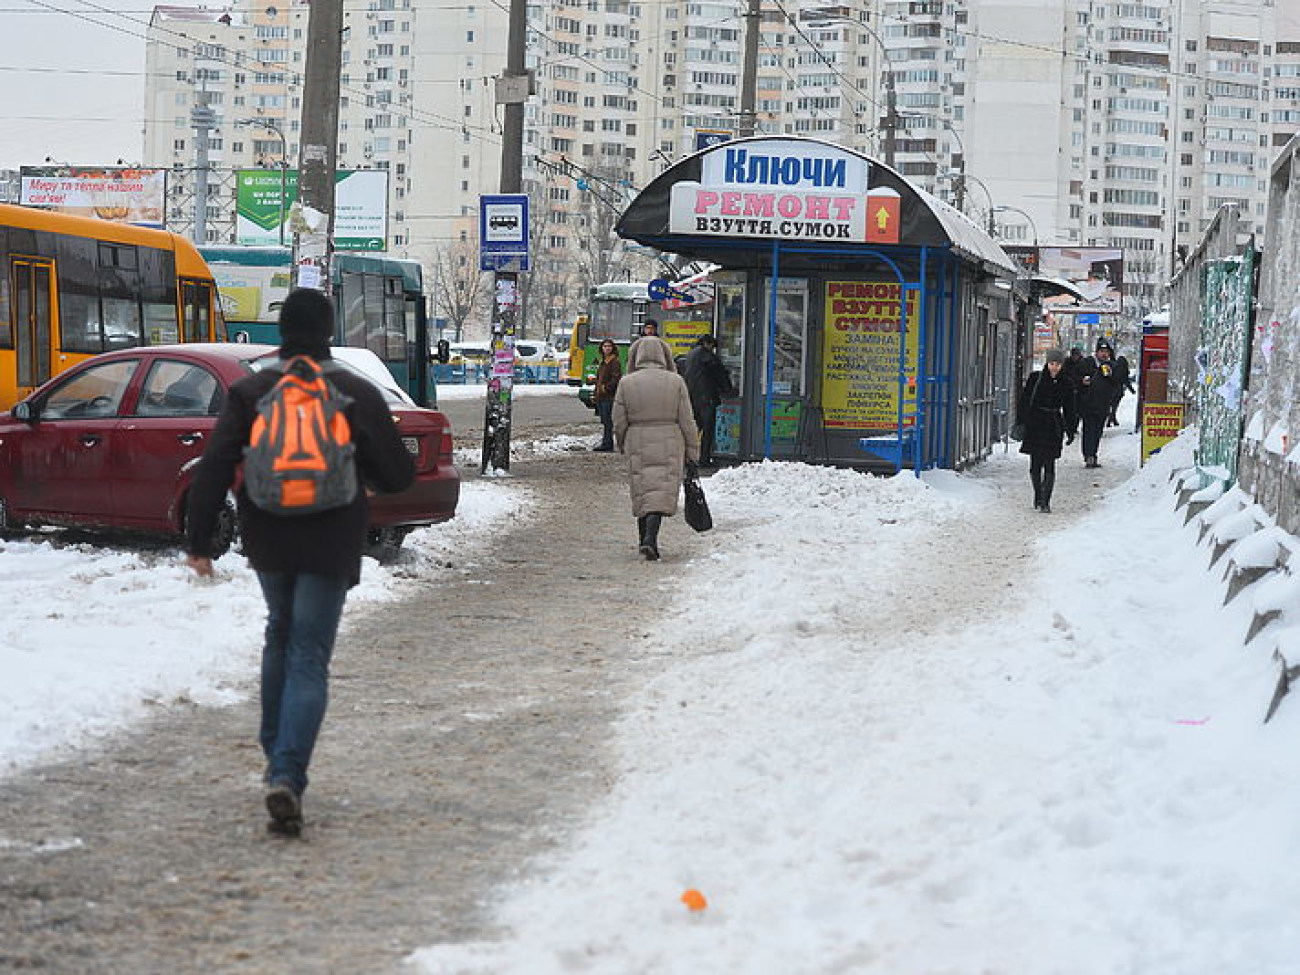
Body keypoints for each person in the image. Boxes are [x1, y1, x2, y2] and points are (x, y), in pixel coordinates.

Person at [184, 288, 416, 835]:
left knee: (279, 636)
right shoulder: (355, 390)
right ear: (329, 330)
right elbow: (397, 476)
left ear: (282, 332)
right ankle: (288, 771)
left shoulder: (251, 390)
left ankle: (275, 760)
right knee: (309, 652)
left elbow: (214, 466)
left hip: (269, 534)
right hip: (332, 538)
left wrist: (199, 542)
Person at [613, 335, 699, 561]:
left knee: (642, 490)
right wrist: (693, 451)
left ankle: (645, 539)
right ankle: (650, 539)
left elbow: (619, 419)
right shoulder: (676, 382)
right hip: (670, 438)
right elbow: (687, 420)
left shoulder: (627, 382)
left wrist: (621, 441)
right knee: (661, 491)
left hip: (637, 438)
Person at [1016, 348, 1076, 513]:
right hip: (1035, 424)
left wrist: (1071, 430)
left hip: (1053, 426)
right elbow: (1024, 401)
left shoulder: (1067, 383)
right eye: (1051, 363)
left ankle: (1046, 501)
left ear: (1062, 365)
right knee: (1035, 464)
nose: (1054, 367)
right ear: (1047, 363)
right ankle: (1037, 493)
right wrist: (1023, 420)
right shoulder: (1036, 379)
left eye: (1057, 364)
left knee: (1050, 463)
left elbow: (1070, 409)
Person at [681, 334, 736, 468]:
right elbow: (720, 375)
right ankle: (704, 459)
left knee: (694, 428)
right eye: (712, 346)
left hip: (691, 396)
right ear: (708, 344)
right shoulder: (708, 357)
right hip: (706, 397)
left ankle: (687, 457)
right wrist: (729, 390)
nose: (712, 349)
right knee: (707, 429)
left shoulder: (690, 355)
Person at [1074, 338, 1124, 468]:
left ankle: (1093, 454)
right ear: (1096, 352)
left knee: (1097, 431)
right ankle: (1088, 455)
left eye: (1106, 351)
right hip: (1088, 404)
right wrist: (1082, 381)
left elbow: (1116, 383)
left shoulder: (1110, 365)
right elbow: (1074, 378)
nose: (1104, 354)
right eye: (1101, 351)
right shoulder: (1086, 363)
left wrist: (1111, 374)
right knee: (1088, 430)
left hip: (1103, 404)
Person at [592, 338, 621, 452]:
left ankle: (608, 444)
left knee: (608, 420)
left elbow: (616, 378)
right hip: (601, 396)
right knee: (604, 420)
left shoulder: (614, 362)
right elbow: (599, 378)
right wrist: (596, 391)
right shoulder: (603, 362)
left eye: (609, 346)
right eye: (605, 346)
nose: (607, 348)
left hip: (609, 396)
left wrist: (605, 388)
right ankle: (606, 441)